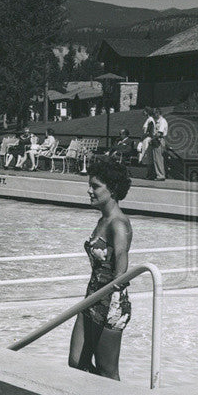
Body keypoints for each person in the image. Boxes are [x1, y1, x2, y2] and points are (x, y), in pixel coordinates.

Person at [68, 158, 133, 380]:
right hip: (92, 298)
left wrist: (113, 290)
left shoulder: (118, 224)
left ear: (112, 189)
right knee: (77, 363)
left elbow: (122, 261)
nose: (89, 191)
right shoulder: (103, 220)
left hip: (111, 303)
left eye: (95, 186)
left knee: (107, 371)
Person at [147, 108, 168, 181]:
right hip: (155, 140)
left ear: (158, 113)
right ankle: (155, 174)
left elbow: (159, 133)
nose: (153, 116)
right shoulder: (157, 121)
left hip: (159, 140)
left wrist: (151, 139)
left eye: (154, 114)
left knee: (158, 159)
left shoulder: (162, 121)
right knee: (155, 158)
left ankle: (161, 175)